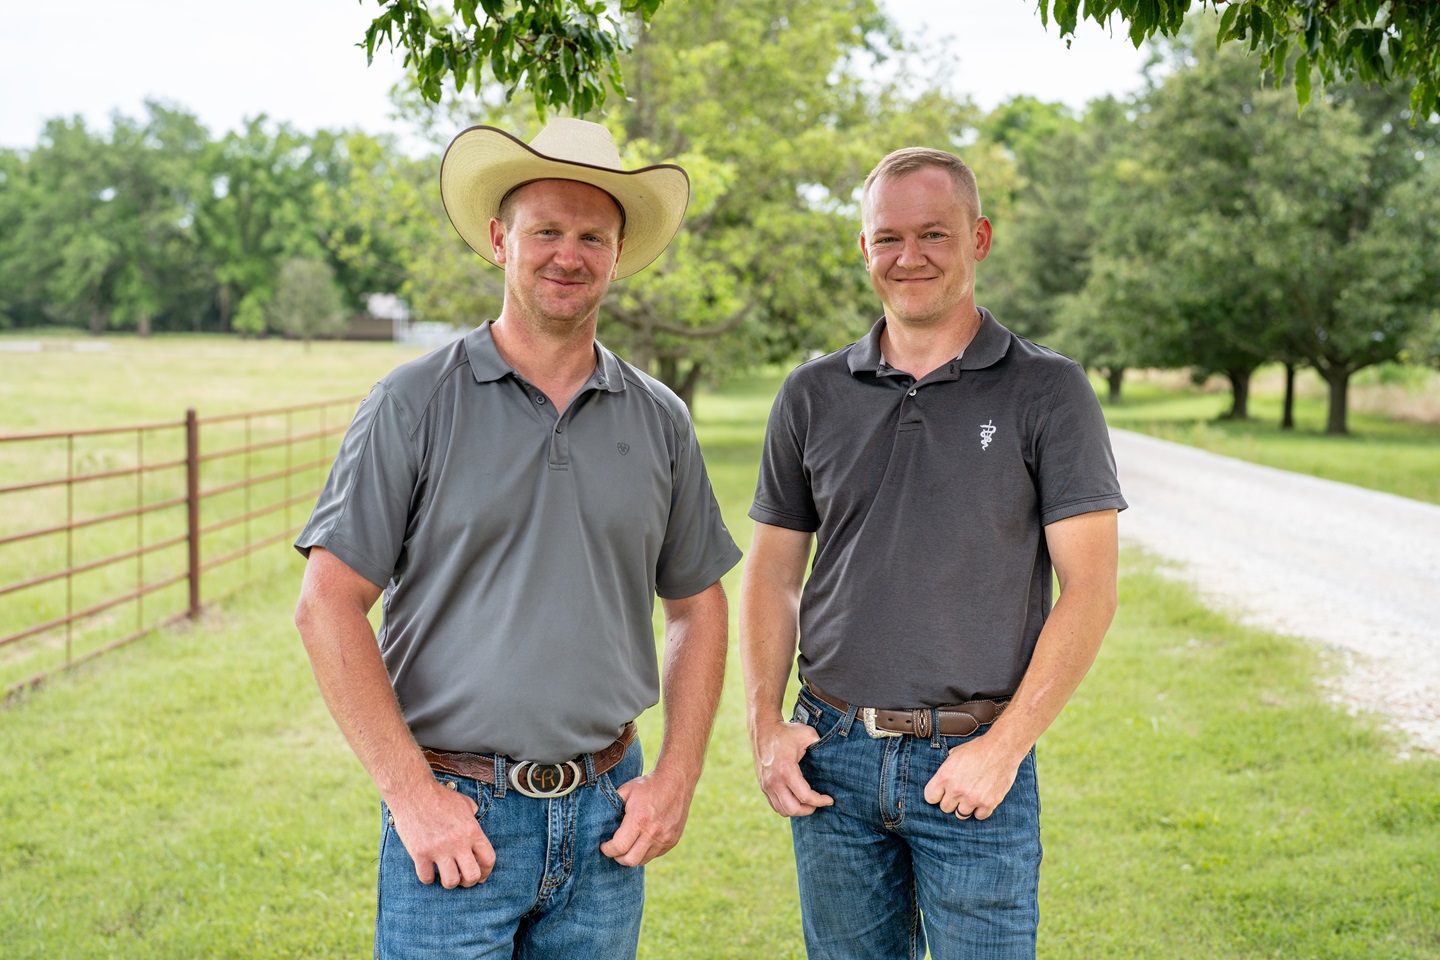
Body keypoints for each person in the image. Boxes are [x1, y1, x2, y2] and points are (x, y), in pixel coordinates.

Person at [293, 118, 741, 960]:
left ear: (616, 255)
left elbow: (698, 608)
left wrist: (676, 776)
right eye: (546, 231)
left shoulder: (660, 419)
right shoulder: (413, 402)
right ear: (501, 241)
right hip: (459, 821)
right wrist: (412, 797)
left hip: (608, 819)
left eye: (591, 237)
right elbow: (328, 606)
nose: (567, 255)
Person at [740, 147, 1128, 959]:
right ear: (864, 249)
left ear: (978, 239)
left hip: (974, 766)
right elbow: (773, 573)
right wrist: (764, 726)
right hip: (832, 761)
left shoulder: (1048, 391)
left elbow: (1089, 590)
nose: (908, 257)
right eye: (888, 238)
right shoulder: (810, 393)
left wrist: (1004, 749)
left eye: (933, 235)